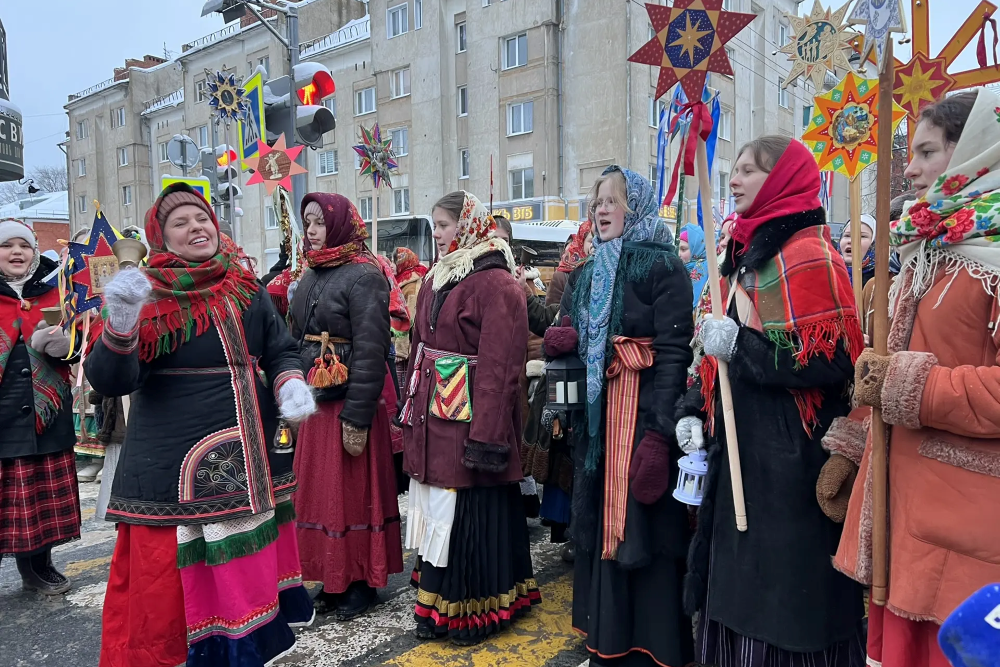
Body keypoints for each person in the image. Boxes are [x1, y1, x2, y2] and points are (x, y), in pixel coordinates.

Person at [86, 184, 316, 666]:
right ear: (162, 238)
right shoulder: (146, 293)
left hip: (247, 457)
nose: (197, 228)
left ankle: (246, 648)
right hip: (176, 466)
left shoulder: (242, 284)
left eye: (202, 218)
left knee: (244, 570)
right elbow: (111, 380)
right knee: (171, 587)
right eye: (181, 223)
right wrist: (122, 321)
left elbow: (279, 347)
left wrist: (289, 381)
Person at [677, 136, 867, 666]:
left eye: (748, 171)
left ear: (782, 180)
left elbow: (833, 361)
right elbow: (708, 354)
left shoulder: (810, 253)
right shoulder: (735, 254)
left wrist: (745, 348)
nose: (733, 180)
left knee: (784, 610)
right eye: (732, 170)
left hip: (790, 471)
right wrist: (693, 409)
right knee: (735, 599)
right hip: (737, 457)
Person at [833, 89, 1000, 667]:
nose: (910, 166)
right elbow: (885, 366)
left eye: (927, 151)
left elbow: (905, 377)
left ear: (974, 153)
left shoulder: (995, 259)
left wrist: (913, 388)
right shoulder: (927, 249)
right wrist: (850, 449)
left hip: (968, 538)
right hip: (901, 520)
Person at [549, 166, 695, 666]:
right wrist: (564, 339)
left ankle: (651, 647)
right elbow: (570, 325)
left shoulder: (663, 264)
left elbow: (675, 352)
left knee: (642, 522)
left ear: (636, 206)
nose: (603, 210)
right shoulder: (587, 269)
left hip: (642, 415)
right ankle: (607, 640)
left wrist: (659, 435)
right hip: (599, 418)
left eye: (614, 201)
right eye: (598, 201)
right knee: (601, 525)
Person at [401, 190, 539, 646]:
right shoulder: (437, 277)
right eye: (435, 225)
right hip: (433, 414)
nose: (437, 233)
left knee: (463, 508)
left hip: (469, 418)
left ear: (468, 225)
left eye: (444, 224)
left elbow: (501, 368)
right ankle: (435, 601)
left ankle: (468, 609)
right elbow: (420, 345)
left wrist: (488, 437)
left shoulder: (498, 284)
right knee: (440, 508)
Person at [289, 193, 406, 620]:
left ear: (338, 224)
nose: (312, 230)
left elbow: (373, 351)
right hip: (318, 406)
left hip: (349, 407)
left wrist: (357, 417)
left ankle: (358, 581)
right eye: (308, 222)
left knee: (352, 500)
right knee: (320, 499)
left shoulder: (365, 276)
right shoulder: (310, 275)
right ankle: (331, 578)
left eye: (319, 222)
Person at [0, 218, 80, 595]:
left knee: (40, 498)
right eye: (6, 246)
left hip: (46, 414)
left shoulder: (57, 290)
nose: (16, 253)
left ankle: (38, 565)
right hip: (3, 416)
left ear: (34, 252)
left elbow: (81, 343)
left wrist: (67, 345)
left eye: (24, 246)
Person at [392, 247, 427, 386]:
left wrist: (400, 352)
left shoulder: (411, 287)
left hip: (406, 352)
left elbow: (408, 322)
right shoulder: (404, 283)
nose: (392, 265)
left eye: (395, 261)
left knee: (403, 388)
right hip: (406, 349)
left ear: (403, 263)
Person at [839, 214, 877, 287]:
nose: (851, 241)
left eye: (862, 236)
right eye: (847, 235)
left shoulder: (882, 281)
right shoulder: (828, 275)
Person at [679, 223, 708, 311]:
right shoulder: (681, 270)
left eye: (683, 249)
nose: (679, 254)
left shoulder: (701, 268)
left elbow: (693, 305)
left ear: (696, 248)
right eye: (678, 249)